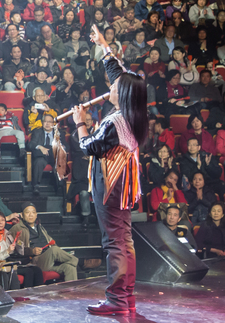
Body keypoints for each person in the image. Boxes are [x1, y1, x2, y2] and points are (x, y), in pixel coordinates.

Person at [71, 23, 149, 316]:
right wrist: (104, 46)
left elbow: (87, 147)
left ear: (123, 94)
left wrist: (80, 121)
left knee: (114, 242)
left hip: (112, 183)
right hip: (123, 183)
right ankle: (125, 297)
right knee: (122, 239)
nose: (111, 86)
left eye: (115, 87)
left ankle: (117, 299)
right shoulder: (135, 113)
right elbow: (120, 73)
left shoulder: (114, 123)